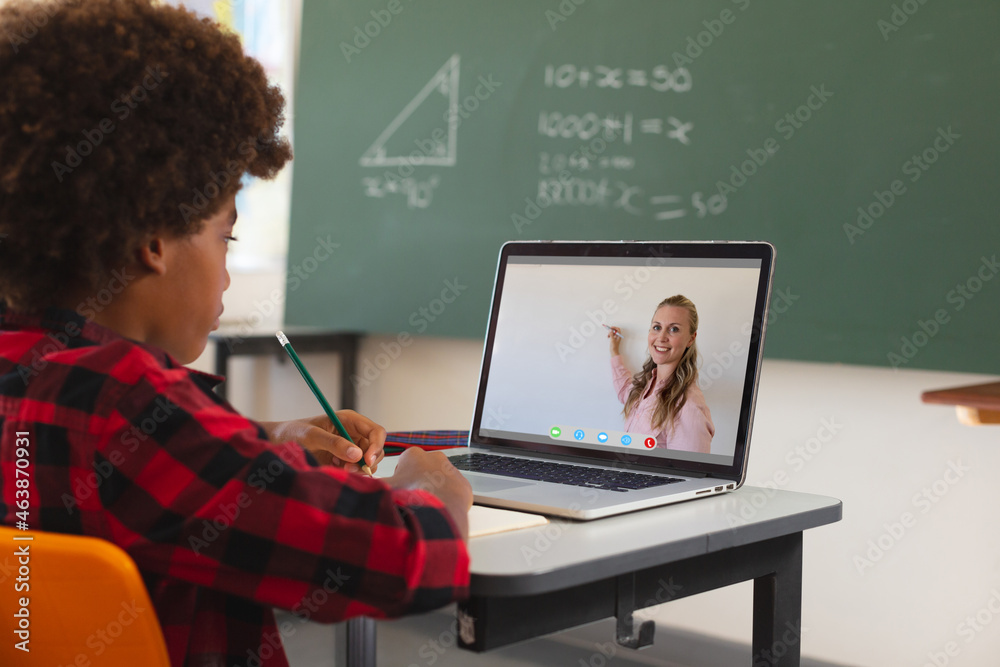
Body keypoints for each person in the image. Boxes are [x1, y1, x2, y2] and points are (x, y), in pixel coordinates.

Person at [0, 1, 472, 665]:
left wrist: (264, 440)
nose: (226, 269)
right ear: (154, 238)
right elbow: (399, 561)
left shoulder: (41, 375)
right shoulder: (134, 408)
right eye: (227, 234)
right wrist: (431, 493)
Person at [607, 295, 714, 453]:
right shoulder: (649, 384)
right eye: (657, 327)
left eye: (674, 329)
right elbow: (626, 393)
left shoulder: (689, 408)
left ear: (691, 339)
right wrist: (615, 351)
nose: (661, 337)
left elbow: (688, 475)